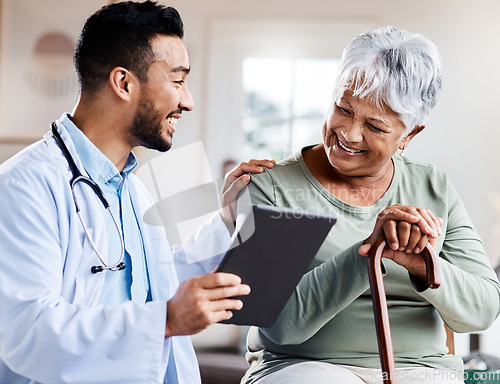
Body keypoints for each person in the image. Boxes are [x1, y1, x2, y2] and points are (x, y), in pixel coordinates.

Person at [0, 2, 274, 383]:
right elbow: (26, 332)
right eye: (177, 81)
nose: (188, 101)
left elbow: (155, 283)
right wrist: (165, 319)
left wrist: (226, 218)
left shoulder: (129, 185)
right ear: (124, 83)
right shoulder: (23, 187)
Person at [238, 26, 500, 384]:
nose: (349, 133)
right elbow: (278, 326)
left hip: (420, 369)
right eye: (342, 109)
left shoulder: (432, 185)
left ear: (409, 135)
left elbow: (483, 310)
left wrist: (425, 265)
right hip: (303, 369)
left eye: (375, 126)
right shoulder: (272, 185)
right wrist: (368, 253)